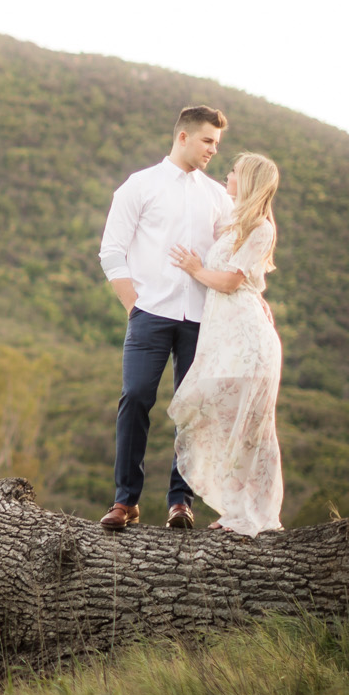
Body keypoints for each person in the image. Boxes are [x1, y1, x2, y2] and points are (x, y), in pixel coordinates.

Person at [96, 106, 234, 530]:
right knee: (136, 396)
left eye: (217, 143)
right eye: (208, 141)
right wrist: (134, 306)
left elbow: (232, 252)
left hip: (201, 318)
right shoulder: (140, 186)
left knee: (192, 408)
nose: (213, 149)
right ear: (183, 137)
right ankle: (125, 501)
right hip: (149, 315)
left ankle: (181, 501)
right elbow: (111, 251)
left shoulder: (217, 197)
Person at [167, 153, 285, 536]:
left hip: (247, 338)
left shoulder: (260, 228)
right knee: (221, 418)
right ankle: (235, 508)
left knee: (248, 426)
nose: (228, 175)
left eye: (233, 172)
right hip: (225, 336)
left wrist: (196, 269)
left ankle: (249, 514)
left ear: (247, 179)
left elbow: (232, 282)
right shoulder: (233, 222)